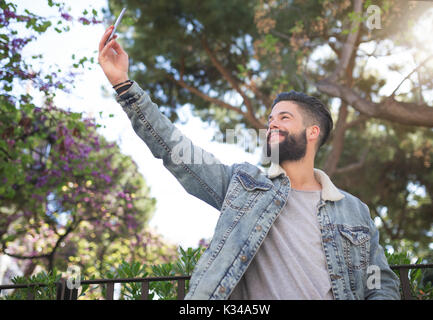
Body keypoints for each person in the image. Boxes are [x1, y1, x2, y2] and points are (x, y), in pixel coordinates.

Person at [98, 26, 400, 300]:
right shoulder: (243, 185)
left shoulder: (353, 210)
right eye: (270, 120)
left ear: (312, 132)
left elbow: (380, 285)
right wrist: (124, 85)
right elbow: (177, 150)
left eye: (284, 118)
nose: (271, 125)